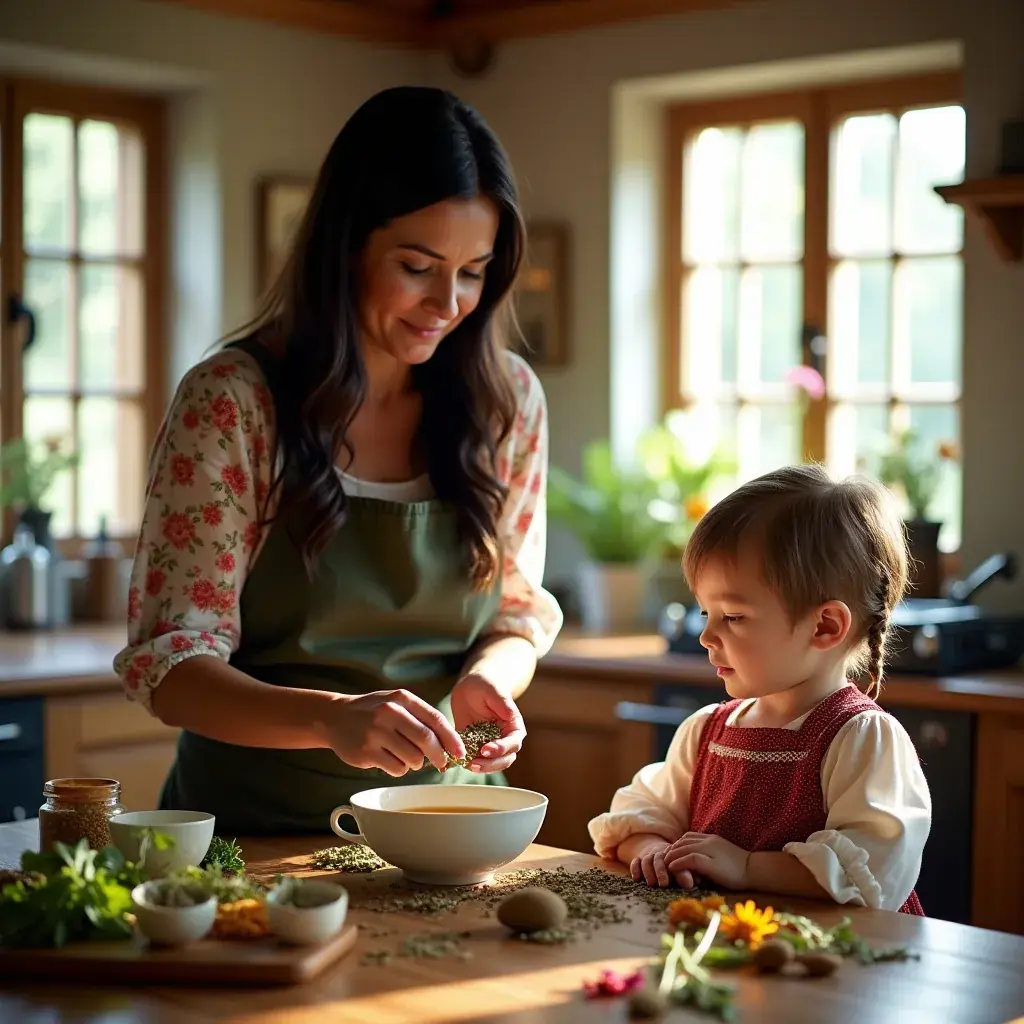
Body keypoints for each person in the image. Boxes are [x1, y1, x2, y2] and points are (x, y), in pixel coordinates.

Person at [113, 86, 563, 834]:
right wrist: (331, 720)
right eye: (417, 266)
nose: (449, 302)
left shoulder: (506, 401)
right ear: (345, 246)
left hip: (452, 826)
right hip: (250, 832)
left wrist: (491, 680)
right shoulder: (233, 402)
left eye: (474, 271)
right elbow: (172, 669)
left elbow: (516, 613)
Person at [588, 465, 931, 914]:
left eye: (732, 617)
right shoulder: (706, 731)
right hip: (736, 958)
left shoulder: (862, 739)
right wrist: (652, 849)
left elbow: (869, 872)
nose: (706, 636)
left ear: (825, 626)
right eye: (705, 612)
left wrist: (747, 867)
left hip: (840, 967)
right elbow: (643, 813)